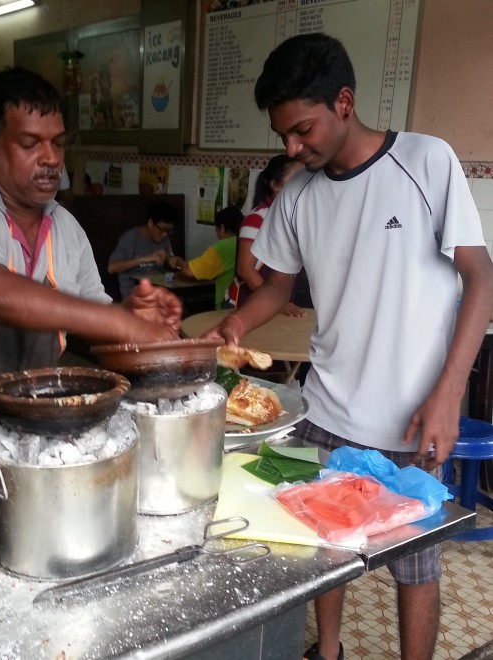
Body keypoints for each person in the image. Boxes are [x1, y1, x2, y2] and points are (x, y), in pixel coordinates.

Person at [206, 34, 493, 660]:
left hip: (412, 419)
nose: (292, 147)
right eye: (283, 135)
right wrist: (235, 327)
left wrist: (449, 394)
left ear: (344, 102)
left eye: (302, 129)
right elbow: (276, 285)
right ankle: (328, 652)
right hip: (326, 410)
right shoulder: (299, 197)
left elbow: (481, 277)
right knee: (324, 546)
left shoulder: (426, 162)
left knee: (414, 567)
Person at [0, 68, 181, 435]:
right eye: (30, 143)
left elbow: (91, 321)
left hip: (27, 430)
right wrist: (121, 323)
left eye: (58, 143)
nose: (51, 158)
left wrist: (128, 316)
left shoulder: (66, 228)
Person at [224, 155, 305, 315]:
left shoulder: (296, 220)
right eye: (298, 178)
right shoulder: (258, 218)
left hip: (275, 308)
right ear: (275, 185)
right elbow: (244, 269)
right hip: (243, 306)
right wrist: (277, 303)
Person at [167, 206, 242, 310]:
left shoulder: (223, 247)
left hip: (224, 308)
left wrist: (178, 262)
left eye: (216, 230)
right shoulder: (245, 243)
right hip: (243, 304)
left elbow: (189, 271)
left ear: (222, 228)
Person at [107, 201, 178, 299]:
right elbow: (112, 268)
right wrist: (144, 259)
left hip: (158, 293)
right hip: (135, 297)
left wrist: (172, 261)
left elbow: (169, 262)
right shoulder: (130, 238)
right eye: (162, 230)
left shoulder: (164, 238)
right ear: (150, 223)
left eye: (168, 231)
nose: (165, 234)